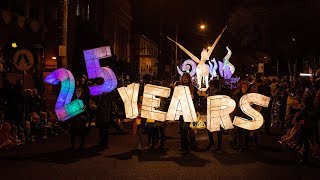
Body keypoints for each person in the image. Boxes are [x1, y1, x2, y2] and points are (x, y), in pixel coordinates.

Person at [179, 73, 197, 154]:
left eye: (186, 77)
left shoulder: (193, 88)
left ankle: (186, 147)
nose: (185, 79)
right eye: (183, 77)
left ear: (189, 79)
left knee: (185, 129)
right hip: (181, 111)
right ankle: (184, 146)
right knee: (182, 129)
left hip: (189, 111)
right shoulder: (179, 88)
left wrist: (193, 98)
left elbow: (196, 100)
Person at [69, 86, 89, 150]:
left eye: (79, 90)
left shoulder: (84, 99)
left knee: (82, 132)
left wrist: (84, 110)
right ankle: (72, 145)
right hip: (74, 118)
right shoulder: (73, 98)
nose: (78, 92)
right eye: (76, 90)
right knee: (73, 132)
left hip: (81, 118)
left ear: (82, 91)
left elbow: (87, 108)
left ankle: (82, 145)